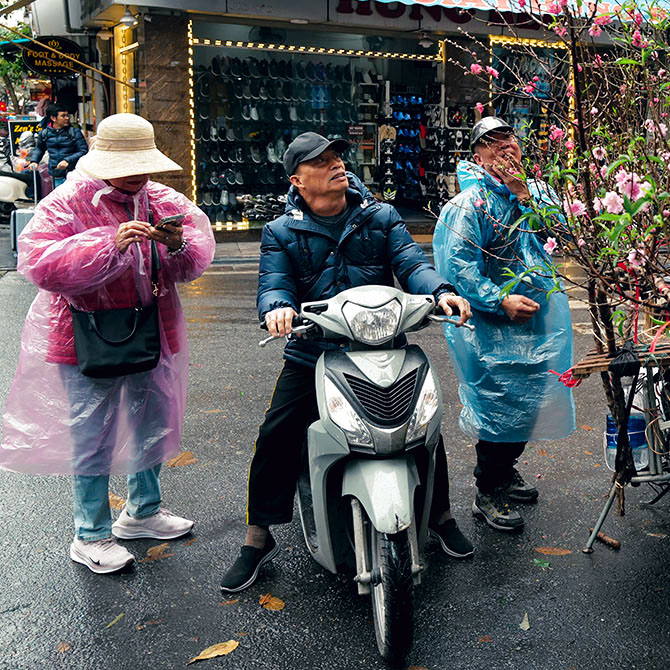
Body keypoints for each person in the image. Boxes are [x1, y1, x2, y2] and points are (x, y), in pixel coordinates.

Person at [220, 132, 473, 593]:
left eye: (338, 157)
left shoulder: (380, 216)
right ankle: (258, 537)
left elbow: (412, 263)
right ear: (298, 180)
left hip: (383, 346)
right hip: (312, 352)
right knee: (277, 432)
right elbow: (274, 284)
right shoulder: (281, 231)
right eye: (323, 162)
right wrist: (278, 307)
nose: (338, 165)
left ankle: (440, 515)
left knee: (423, 427)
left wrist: (440, 291)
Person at [0, 113, 214, 573]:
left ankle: (143, 511)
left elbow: (194, 261)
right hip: (85, 336)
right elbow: (39, 264)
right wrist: (107, 244)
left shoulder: (158, 199)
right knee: (92, 436)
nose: (140, 174)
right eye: (130, 163)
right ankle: (90, 534)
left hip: (154, 329)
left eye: (145, 163)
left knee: (151, 422)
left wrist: (176, 245)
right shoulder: (68, 201)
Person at [432, 117, 575, 533]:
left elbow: (562, 234)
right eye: (489, 144)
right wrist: (500, 300)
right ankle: (487, 489)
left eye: (507, 139)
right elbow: (458, 268)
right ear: (477, 155)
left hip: (537, 326)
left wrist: (523, 193)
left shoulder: (536, 193)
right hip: (491, 332)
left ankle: (505, 470)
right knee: (497, 409)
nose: (502, 149)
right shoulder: (467, 206)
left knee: (530, 405)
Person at [31, 108, 89, 189]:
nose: (67, 118)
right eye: (63, 116)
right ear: (53, 118)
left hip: (74, 173)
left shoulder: (74, 132)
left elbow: (83, 150)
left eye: (67, 115)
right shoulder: (44, 134)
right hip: (56, 174)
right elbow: (39, 149)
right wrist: (34, 161)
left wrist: (67, 160)